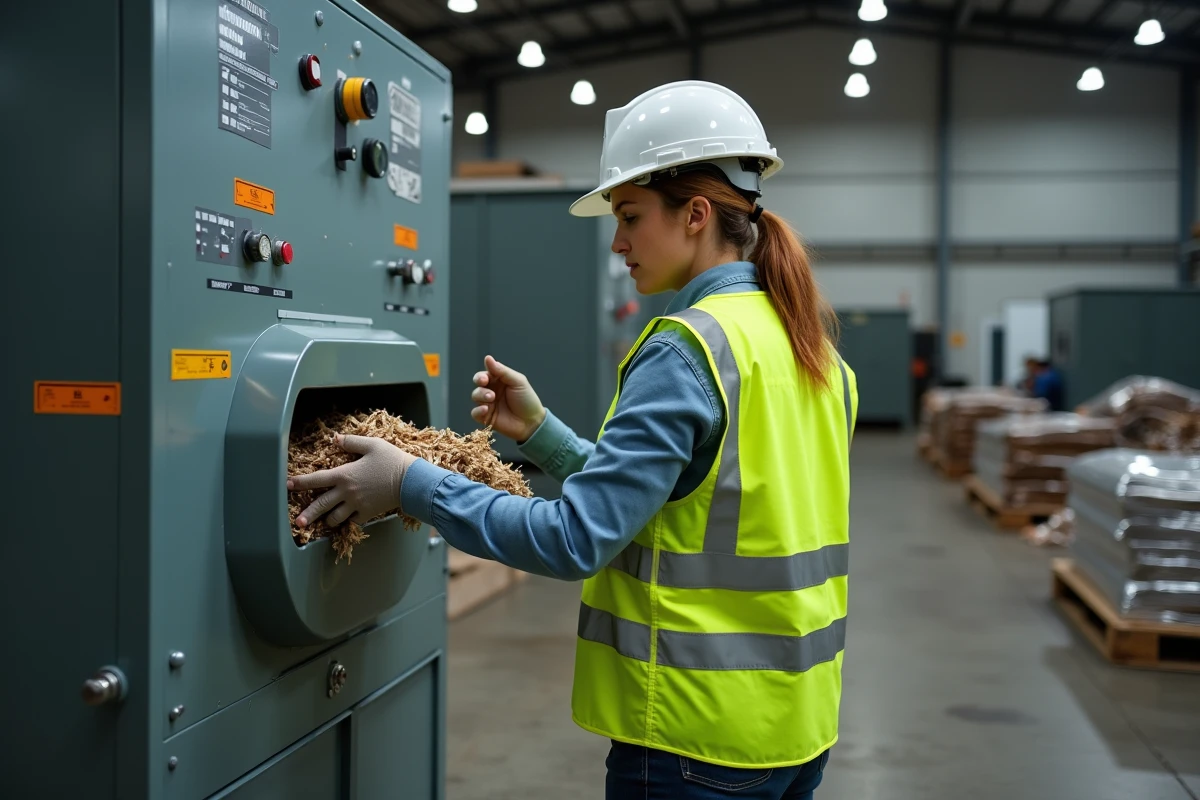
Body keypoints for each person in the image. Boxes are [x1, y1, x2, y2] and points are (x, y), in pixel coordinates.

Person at [288, 80, 858, 800]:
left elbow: (574, 540)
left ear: (696, 215)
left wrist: (408, 482)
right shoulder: (813, 352)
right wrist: (546, 436)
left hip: (696, 738)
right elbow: (683, 504)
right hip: (796, 729)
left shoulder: (688, 349)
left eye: (629, 216)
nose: (617, 242)